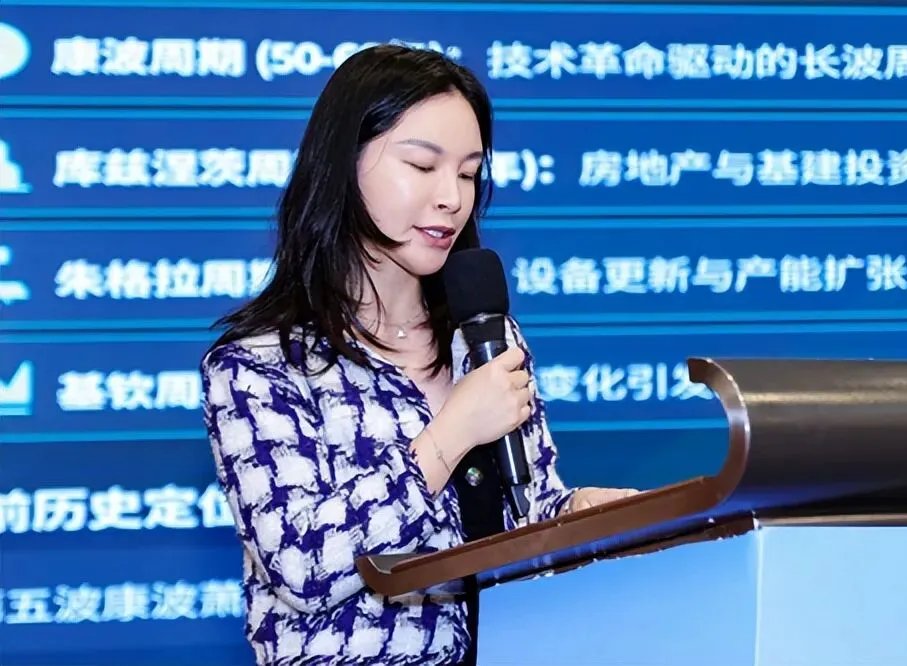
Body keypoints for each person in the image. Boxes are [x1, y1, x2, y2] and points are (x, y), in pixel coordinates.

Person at [200, 44, 638, 666]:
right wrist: (449, 435)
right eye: (423, 165)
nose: (452, 198)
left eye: (468, 173)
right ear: (343, 164)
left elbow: (521, 516)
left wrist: (573, 517)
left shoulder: (485, 339)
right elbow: (301, 566)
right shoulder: (260, 365)